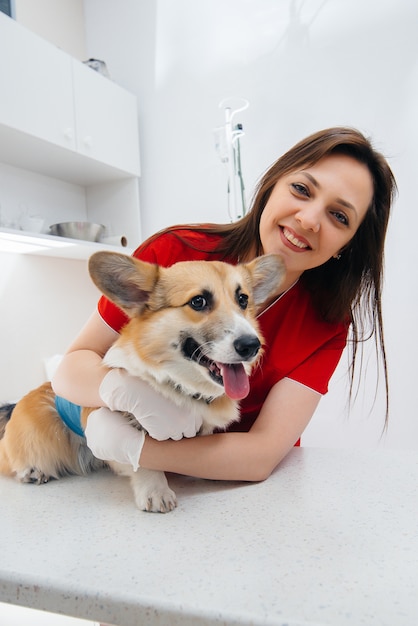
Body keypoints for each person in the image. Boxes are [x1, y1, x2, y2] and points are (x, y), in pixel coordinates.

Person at [52, 127, 396, 482]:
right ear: (272, 185)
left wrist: (137, 450)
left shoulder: (326, 325)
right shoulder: (175, 253)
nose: (308, 220)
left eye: (339, 216)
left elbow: (260, 456)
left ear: (347, 245)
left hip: (232, 487)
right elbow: (70, 370)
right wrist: (118, 390)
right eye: (302, 189)